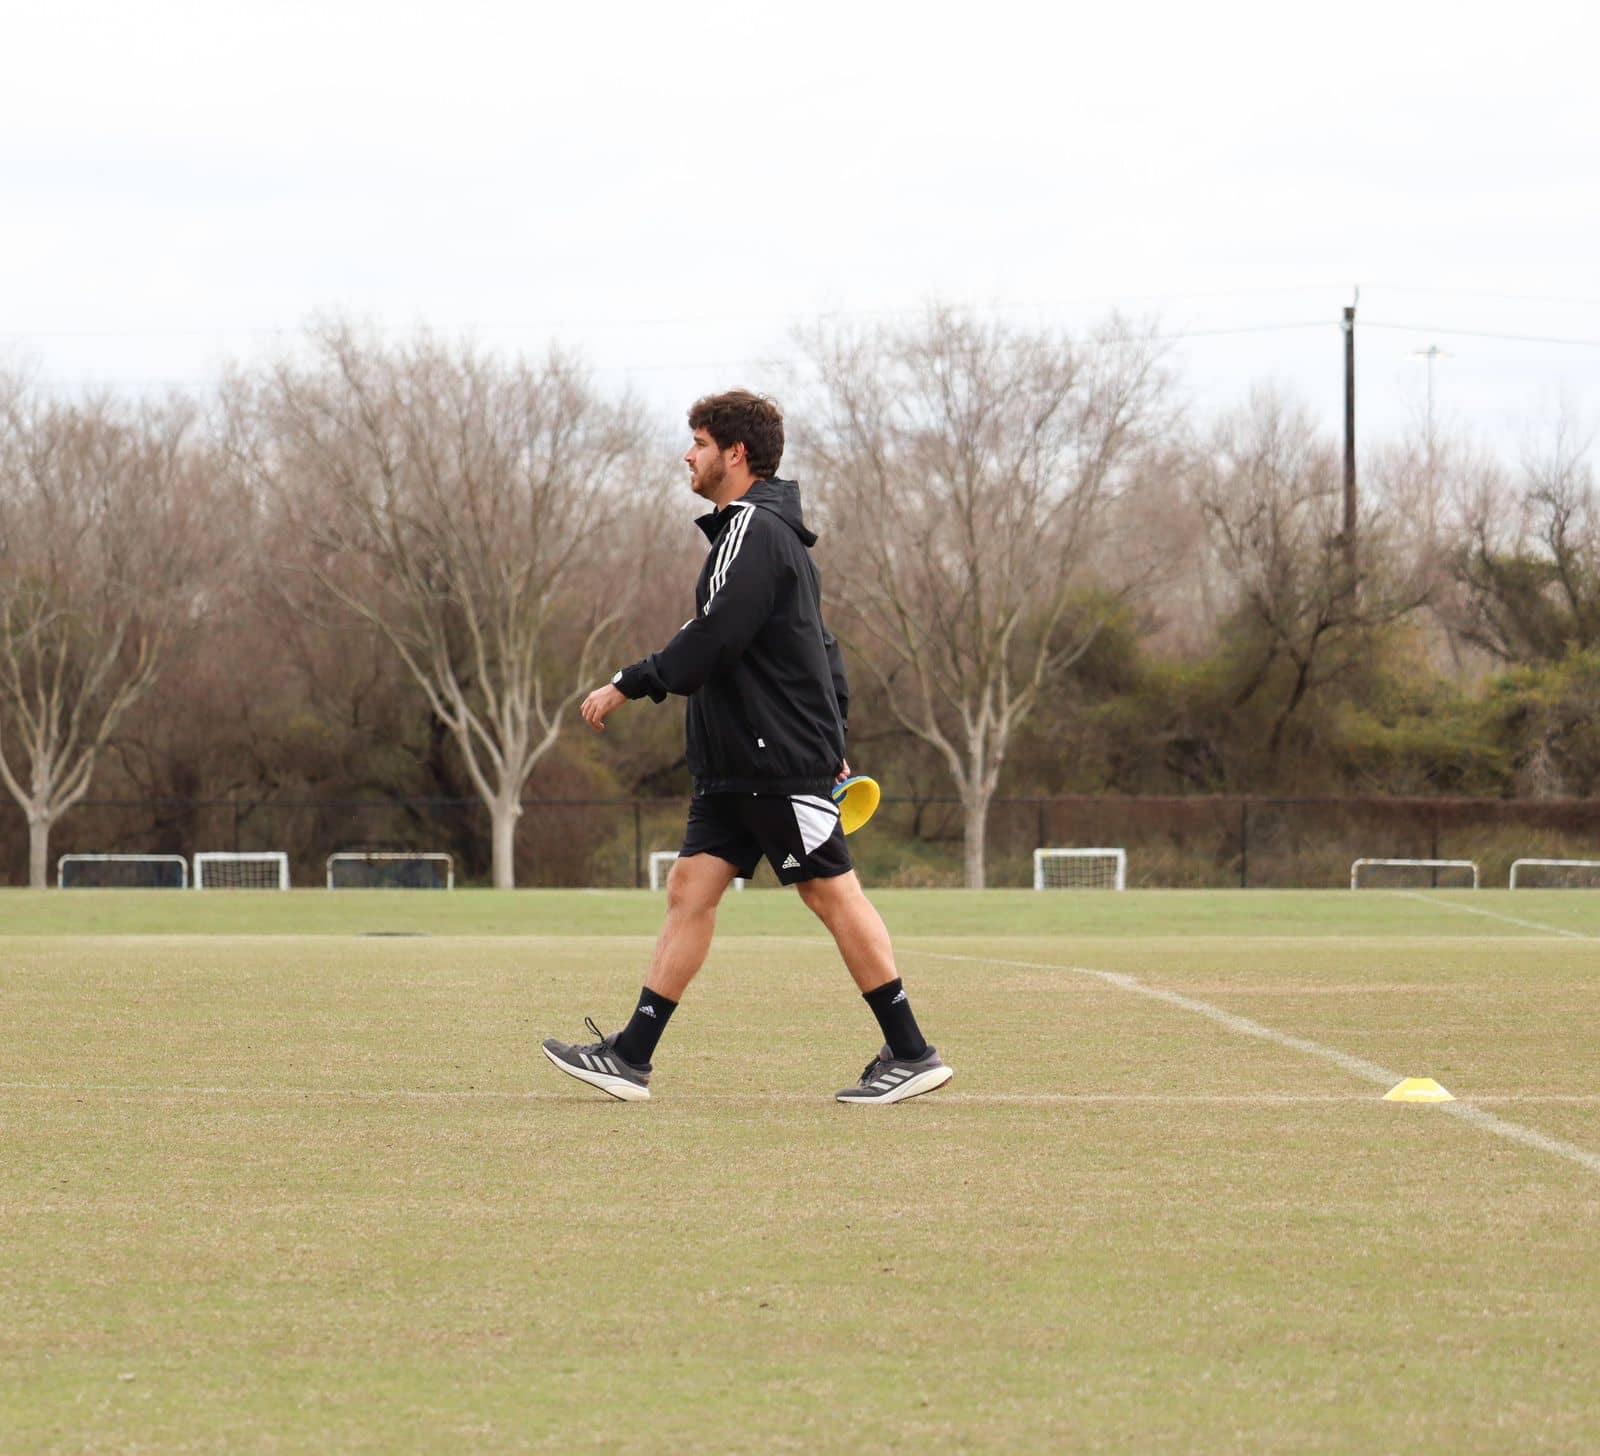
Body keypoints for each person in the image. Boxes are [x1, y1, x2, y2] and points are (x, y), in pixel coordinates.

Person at [542, 389, 952, 1106]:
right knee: (689, 890)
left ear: (734, 454)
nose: (687, 455)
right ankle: (630, 1055)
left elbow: (714, 639)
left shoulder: (754, 531)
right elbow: (821, 650)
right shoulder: (763, 536)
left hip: (772, 759)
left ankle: (912, 1052)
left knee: (831, 894)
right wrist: (835, 732)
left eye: (697, 442)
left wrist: (629, 682)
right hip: (738, 766)